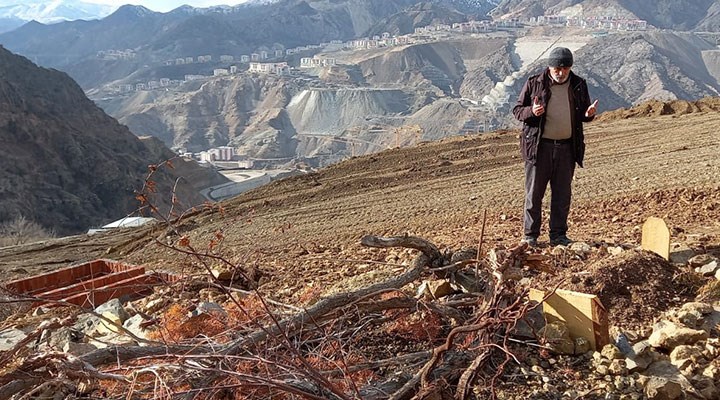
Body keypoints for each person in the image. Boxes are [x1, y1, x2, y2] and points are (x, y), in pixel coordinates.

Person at [512, 47, 598, 247]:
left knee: (562, 194)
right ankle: (530, 236)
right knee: (534, 193)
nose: (561, 73)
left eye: (565, 68)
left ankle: (558, 235)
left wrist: (589, 114)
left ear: (570, 68)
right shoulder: (535, 83)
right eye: (557, 69)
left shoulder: (578, 85)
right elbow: (517, 110)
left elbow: (583, 114)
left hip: (567, 148)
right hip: (539, 148)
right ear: (549, 67)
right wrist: (532, 112)